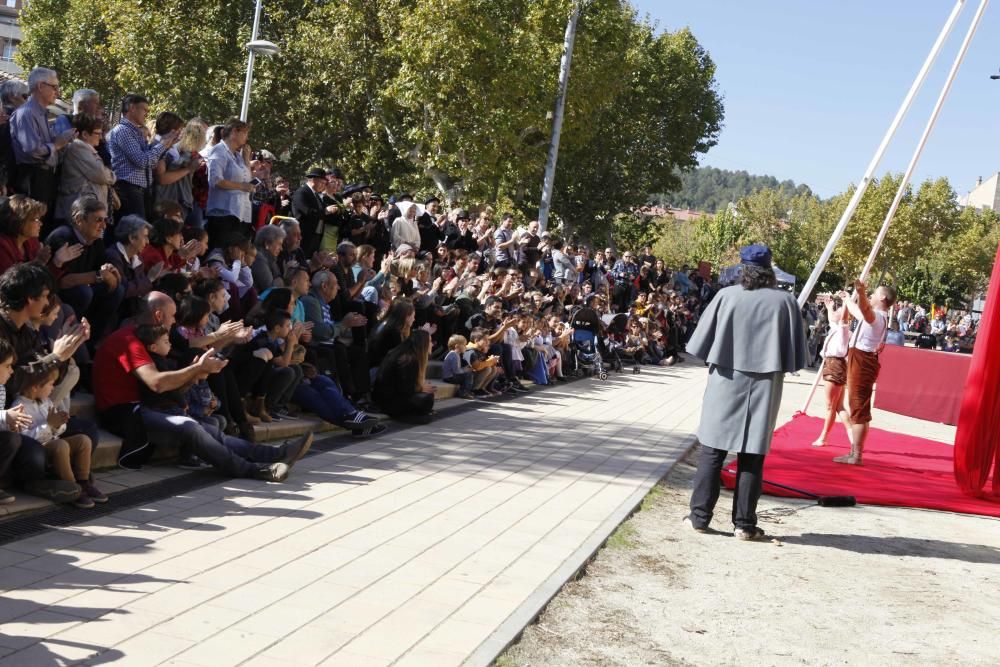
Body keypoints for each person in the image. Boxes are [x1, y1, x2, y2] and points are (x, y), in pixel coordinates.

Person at [685, 244, 806, 540]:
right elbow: (797, 355)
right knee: (752, 455)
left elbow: (699, 344)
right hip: (764, 384)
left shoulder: (726, 296)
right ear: (769, 269)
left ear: (743, 268)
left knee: (712, 450)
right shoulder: (785, 302)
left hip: (725, 379)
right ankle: (744, 524)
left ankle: (699, 518)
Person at [12, 362, 104, 508]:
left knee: (83, 440)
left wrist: (60, 423)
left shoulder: (45, 401)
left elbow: (57, 429)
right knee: (60, 445)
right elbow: (27, 440)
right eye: (50, 384)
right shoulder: (19, 407)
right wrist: (48, 425)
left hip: (53, 443)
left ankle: (83, 481)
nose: (53, 388)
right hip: (38, 453)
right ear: (35, 387)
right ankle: (73, 488)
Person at [834, 281, 897, 465]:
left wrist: (861, 293)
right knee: (856, 406)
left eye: (874, 294)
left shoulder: (878, 316)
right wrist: (848, 298)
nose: (870, 296)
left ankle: (857, 455)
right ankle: (855, 453)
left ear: (883, 298)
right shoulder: (876, 315)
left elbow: (866, 312)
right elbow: (859, 312)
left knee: (858, 407)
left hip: (862, 360)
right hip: (859, 358)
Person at [9, 68, 76, 215]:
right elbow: (32, 150)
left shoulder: (40, 112)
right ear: (40, 86)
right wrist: (57, 144)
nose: (58, 92)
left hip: (43, 178)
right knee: (29, 224)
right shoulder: (26, 113)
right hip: (32, 179)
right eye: (55, 87)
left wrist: (62, 140)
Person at [108, 94, 178, 220]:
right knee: (134, 230)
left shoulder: (136, 132)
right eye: (144, 109)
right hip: (128, 189)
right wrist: (162, 145)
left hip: (140, 190)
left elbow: (151, 162)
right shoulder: (123, 131)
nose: (146, 114)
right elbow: (142, 161)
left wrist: (166, 145)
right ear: (132, 108)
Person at [55, 114, 116, 221]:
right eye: (97, 134)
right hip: (80, 214)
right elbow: (101, 175)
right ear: (85, 134)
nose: (101, 137)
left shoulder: (86, 149)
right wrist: (112, 176)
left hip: (86, 211)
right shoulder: (78, 147)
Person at [811, 293, 850, 448]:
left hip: (835, 366)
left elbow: (843, 320)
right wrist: (829, 308)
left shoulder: (843, 330)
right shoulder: (836, 328)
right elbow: (833, 320)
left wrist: (847, 303)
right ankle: (853, 438)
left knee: (830, 406)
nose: (835, 311)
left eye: (838, 310)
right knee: (839, 406)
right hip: (834, 365)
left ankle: (823, 437)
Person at [372, 329, 435, 420]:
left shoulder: (403, 354)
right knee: (428, 398)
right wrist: (421, 388)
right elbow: (405, 389)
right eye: (430, 341)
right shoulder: (409, 359)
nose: (432, 344)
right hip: (389, 403)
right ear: (422, 343)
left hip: (384, 400)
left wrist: (420, 387)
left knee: (425, 396)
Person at [442, 334, 474, 398]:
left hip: (448, 377)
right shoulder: (455, 355)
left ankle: (466, 390)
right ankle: (463, 392)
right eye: (464, 345)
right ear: (457, 346)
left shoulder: (453, 353)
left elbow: (456, 369)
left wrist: (464, 369)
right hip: (449, 378)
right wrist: (465, 370)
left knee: (467, 373)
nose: (466, 346)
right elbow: (456, 371)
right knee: (468, 374)